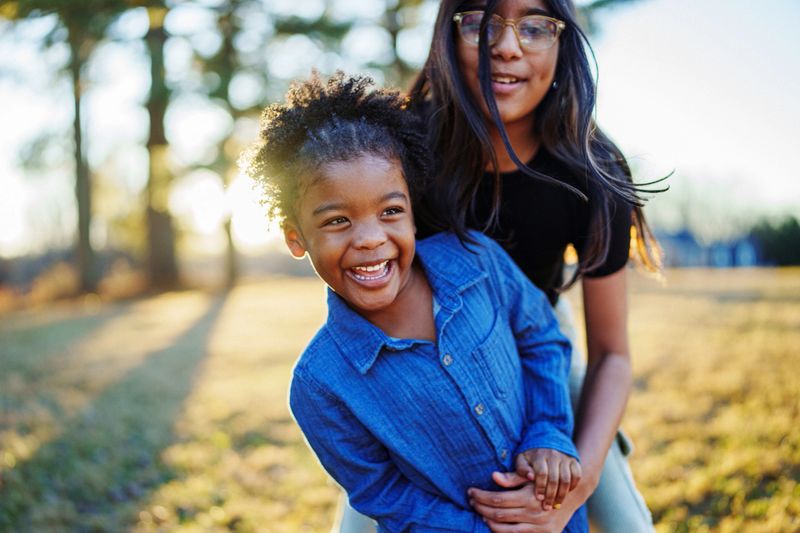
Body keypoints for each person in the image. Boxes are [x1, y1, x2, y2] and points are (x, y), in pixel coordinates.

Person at [242, 71, 589, 532]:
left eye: (390, 212)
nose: (370, 239)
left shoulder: (476, 259)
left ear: (411, 205)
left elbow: (542, 340)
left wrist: (549, 434)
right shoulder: (321, 386)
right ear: (295, 237)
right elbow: (382, 494)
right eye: (337, 220)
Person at [403, 0, 664, 531]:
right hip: (418, 346)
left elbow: (612, 354)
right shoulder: (402, 146)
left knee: (624, 523)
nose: (506, 46)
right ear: (446, 38)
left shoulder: (593, 171)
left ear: (563, 42)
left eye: (536, 26)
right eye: (479, 21)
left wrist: (578, 484)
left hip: (540, 339)